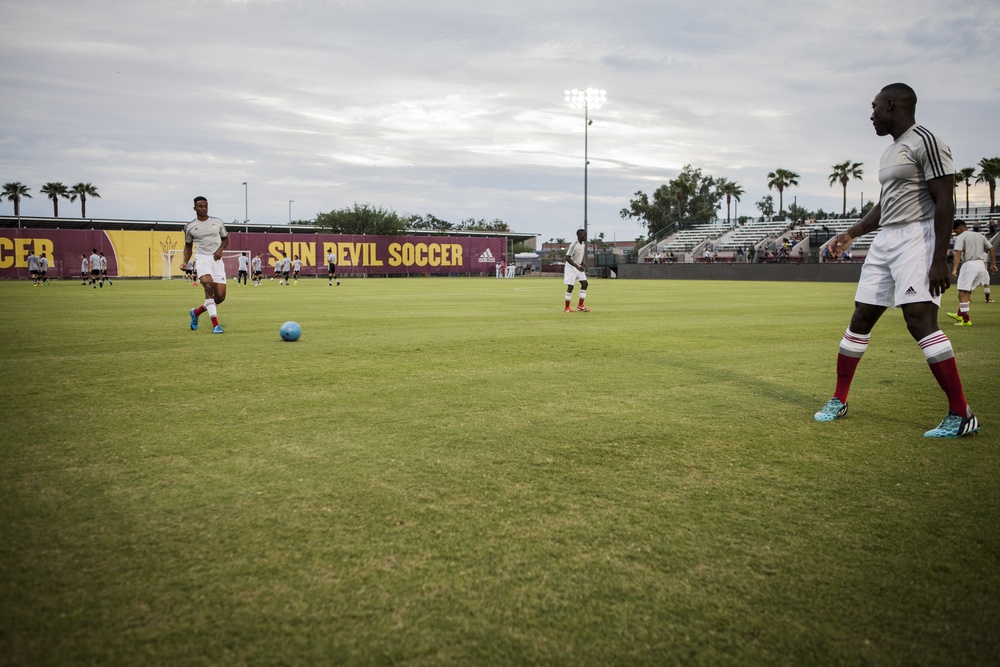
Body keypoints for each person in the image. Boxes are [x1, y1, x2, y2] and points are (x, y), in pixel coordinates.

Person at [815, 83, 979, 438]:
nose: (871, 115)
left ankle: (961, 412)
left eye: (874, 107)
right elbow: (884, 205)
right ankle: (839, 399)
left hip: (917, 237)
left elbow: (944, 201)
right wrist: (852, 233)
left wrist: (939, 257)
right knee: (861, 316)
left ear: (891, 105)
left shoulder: (927, 141)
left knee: (919, 319)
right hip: (886, 239)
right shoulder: (891, 152)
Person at [182, 196, 228, 334]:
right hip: (202, 259)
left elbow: (225, 239)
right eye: (200, 206)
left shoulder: (218, 222)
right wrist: (185, 261)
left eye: (205, 206)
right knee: (208, 286)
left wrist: (220, 250)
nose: (203, 208)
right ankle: (216, 325)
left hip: (217, 260)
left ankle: (196, 312)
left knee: (220, 296)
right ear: (194, 208)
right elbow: (188, 246)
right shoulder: (189, 227)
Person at [946, 220, 998, 325]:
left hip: (969, 265)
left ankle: (966, 320)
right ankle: (960, 314)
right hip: (981, 265)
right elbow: (992, 249)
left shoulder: (961, 236)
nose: (955, 233)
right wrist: (993, 264)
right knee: (968, 292)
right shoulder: (980, 236)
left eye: (955, 231)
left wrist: (955, 268)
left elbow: (958, 252)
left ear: (960, 228)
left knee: (961, 294)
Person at [563, 228, 589, 312]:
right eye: (584, 235)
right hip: (571, 268)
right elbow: (567, 257)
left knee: (585, 284)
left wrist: (582, 264)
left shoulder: (583, 244)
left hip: (578, 267)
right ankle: (567, 308)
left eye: (586, 235)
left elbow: (578, 256)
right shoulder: (574, 245)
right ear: (579, 236)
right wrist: (576, 266)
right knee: (571, 286)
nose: (585, 236)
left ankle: (580, 305)